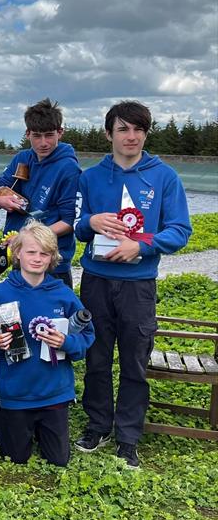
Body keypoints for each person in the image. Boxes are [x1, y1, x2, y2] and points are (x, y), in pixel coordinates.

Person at [73, 101, 191, 468]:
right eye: (123, 129)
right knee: (96, 358)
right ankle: (97, 425)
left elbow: (180, 230)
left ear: (146, 133)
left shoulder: (165, 177)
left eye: (139, 129)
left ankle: (128, 436)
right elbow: (77, 227)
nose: (132, 136)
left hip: (138, 286)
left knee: (134, 362)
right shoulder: (90, 177)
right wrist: (91, 222)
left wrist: (139, 244)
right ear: (109, 134)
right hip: (95, 281)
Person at [0, 222, 95, 466]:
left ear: (52, 257)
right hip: (16, 391)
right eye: (31, 252)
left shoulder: (63, 294)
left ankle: (42, 425)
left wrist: (67, 342)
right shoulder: (2, 292)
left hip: (54, 392)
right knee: (16, 458)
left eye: (44, 253)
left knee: (59, 461)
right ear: (18, 253)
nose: (37, 258)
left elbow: (87, 336)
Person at [0, 98, 80, 287]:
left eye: (49, 135)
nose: (43, 143)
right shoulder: (22, 158)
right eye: (37, 136)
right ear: (27, 134)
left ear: (60, 133)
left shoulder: (68, 168)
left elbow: (68, 221)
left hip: (53, 263)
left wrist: (28, 237)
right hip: (20, 256)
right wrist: (0, 200)